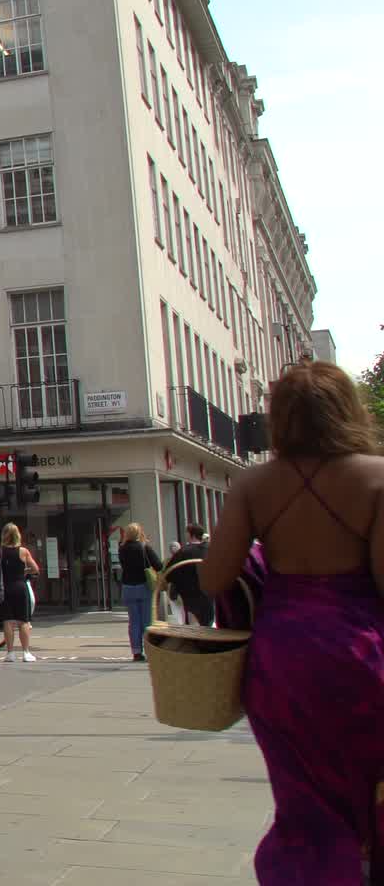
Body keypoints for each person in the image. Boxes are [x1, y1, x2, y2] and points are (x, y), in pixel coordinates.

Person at [198, 361, 384, 884]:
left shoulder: (254, 485)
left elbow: (214, 579)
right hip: (360, 648)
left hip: (281, 660)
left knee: (301, 794)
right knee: (367, 782)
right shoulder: (377, 477)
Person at [0, 523, 40, 662]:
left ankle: (10, 653)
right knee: (23, 621)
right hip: (20, 588)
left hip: (5, 589)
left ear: (4, 535)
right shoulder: (23, 551)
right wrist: (25, 571)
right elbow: (35, 569)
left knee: (8, 622)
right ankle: (26, 652)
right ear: (18, 535)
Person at [116, 522, 162, 661]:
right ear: (139, 533)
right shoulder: (144, 547)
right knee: (147, 621)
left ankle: (136, 651)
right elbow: (158, 565)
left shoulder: (122, 549)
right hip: (143, 585)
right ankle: (149, 650)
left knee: (134, 621)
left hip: (128, 587)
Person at [163, 525, 214, 626]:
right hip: (209, 593)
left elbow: (168, 573)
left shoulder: (183, 552)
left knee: (192, 626)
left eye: (187, 532)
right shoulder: (210, 549)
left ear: (192, 535)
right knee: (208, 623)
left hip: (189, 596)